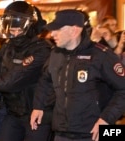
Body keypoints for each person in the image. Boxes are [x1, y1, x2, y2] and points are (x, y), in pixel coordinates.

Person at [30, 9, 125, 141]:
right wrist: (38, 106)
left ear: (74, 31)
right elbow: (45, 80)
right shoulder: (55, 54)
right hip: (61, 132)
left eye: (57, 30)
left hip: (94, 132)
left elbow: (122, 89)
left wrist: (106, 119)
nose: (52, 34)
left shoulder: (102, 56)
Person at [0, 1, 53, 141]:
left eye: (18, 30)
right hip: (12, 112)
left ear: (30, 27)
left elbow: (10, 82)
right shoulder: (7, 48)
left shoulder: (42, 50)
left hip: (37, 115)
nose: (14, 34)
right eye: (11, 31)